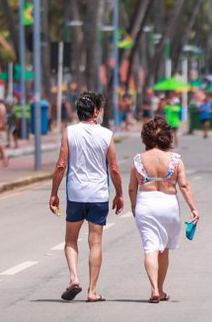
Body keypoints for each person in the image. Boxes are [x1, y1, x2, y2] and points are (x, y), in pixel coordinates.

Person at [49, 92, 124, 303]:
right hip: (99, 194)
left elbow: (61, 164)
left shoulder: (69, 132)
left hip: (75, 193)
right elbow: (114, 168)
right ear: (96, 112)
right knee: (96, 242)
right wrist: (119, 193)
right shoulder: (106, 134)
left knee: (71, 239)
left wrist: (54, 193)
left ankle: (74, 277)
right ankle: (92, 291)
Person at [128, 115, 199, 303]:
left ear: (146, 137)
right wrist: (194, 209)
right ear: (167, 137)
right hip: (168, 205)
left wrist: (134, 206)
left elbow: (132, 187)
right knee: (164, 250)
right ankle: (160, 289)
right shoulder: (175, 160)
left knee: (150, 248)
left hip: (146, 204)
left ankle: (153, 289)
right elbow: (184, 186)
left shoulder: (138, 160)